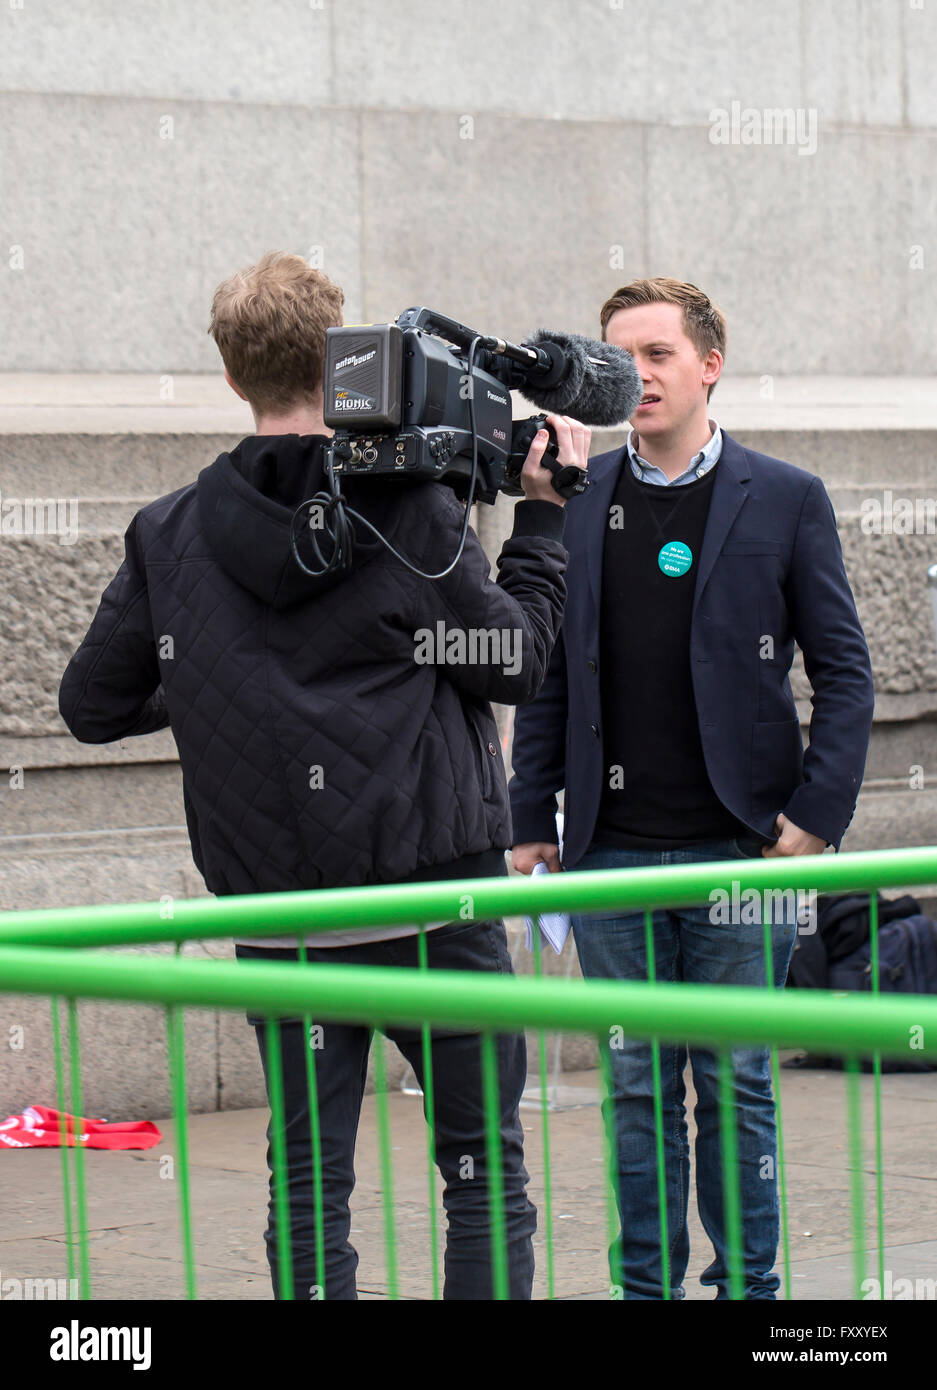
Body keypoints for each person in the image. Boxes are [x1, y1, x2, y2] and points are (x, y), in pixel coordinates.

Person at [58, 251, 592, 1299]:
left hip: (284, 914)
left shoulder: (169, 530)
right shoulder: (410, 510)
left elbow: (93, 705)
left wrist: (224, 684)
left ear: (228, 377)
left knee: (306, 1184)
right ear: (345, 360)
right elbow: (517, 659)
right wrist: (541, 518)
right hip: (436, 901)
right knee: (481, 1177)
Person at [509, 277, 875, 1300]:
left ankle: (751, 1294)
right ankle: (645, 1292)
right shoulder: (577, 504)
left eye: (658, 354)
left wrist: (815, 815)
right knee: (634, 1090)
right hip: (608, 851)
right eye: (619, 357)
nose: (637, 376)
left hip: (739, 848)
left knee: (735, 1083)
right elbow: (548, 670)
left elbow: (844, 672)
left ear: (709, 364)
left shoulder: (785, 497)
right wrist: (526, 813)